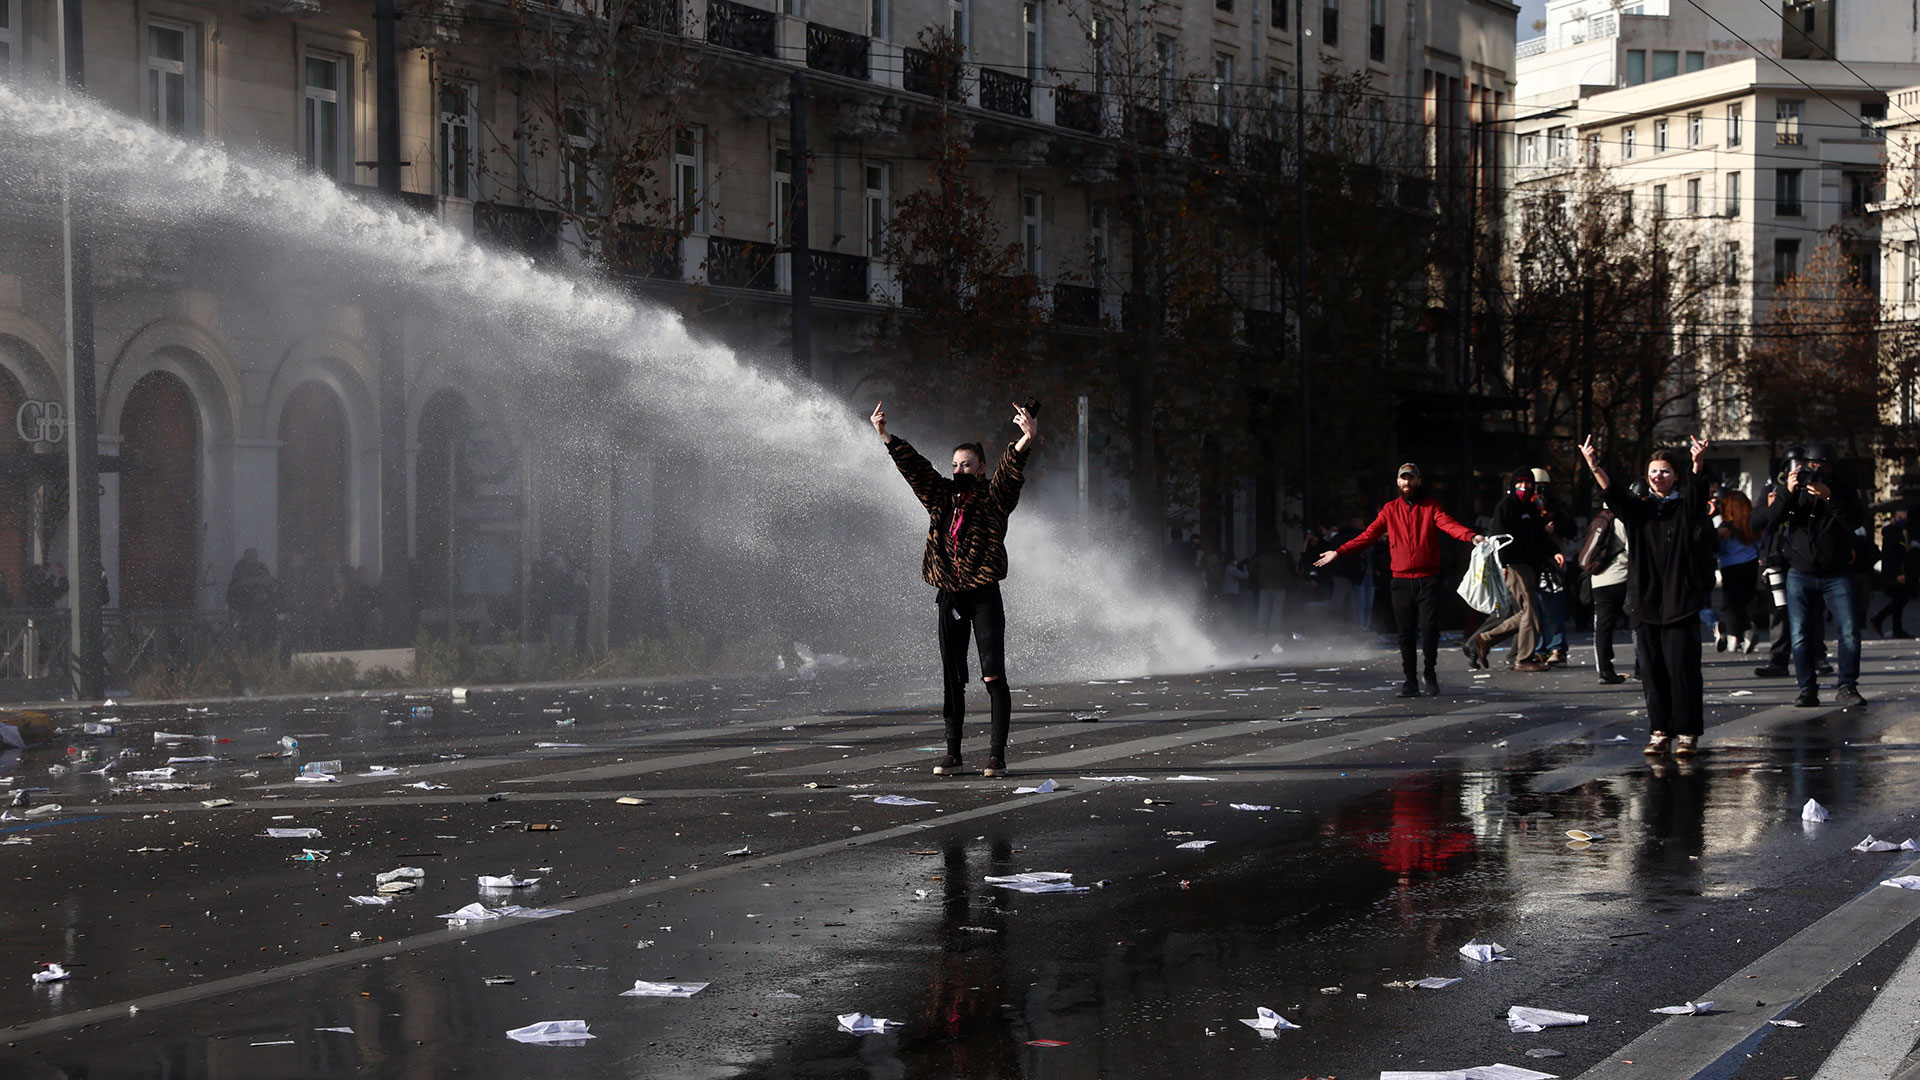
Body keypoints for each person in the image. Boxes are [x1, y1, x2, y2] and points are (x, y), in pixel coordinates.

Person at [873, 399, 1037, 778]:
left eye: (967, 464)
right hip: (949, 596)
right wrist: (885, 435)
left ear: (981, 468)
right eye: (955, 465)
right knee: (952, 677)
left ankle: (996, 756)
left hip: (984, 596)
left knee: (992, 675)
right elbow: (916, 469)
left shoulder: (993, 498)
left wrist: (1026, 439)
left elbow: (1010, 471)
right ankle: (953, 754)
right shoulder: (940, 495)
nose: (960, 470)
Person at [1578, 434, 1716, 756]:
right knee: (1652, 671)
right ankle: (1659, 731)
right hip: (1645, 601)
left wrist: (1697, 463)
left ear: (1676, 475)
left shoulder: (1685, 508)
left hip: (1680, 601)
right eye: (1653, 471)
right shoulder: (1639, 510)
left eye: (1665, 471)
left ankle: (1687, 733)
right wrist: (1594, 465)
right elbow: (1613, 494)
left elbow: (1698, 493)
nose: (1659, 476)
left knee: (1683, 670)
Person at [1317, 462, 1481, 697]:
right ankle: (1410, 680)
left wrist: (1470, 537)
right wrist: (1339, 551)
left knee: (1430, 628)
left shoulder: (1431, 506)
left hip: (1427, 578)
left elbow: (1448, 525)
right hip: (1401, 580)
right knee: (1406, 633)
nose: (1407, 482)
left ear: (1418, 481)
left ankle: (1430, 673)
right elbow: (1368, 536)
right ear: (1398, 481)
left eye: (1411, 478)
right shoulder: (1390, 509)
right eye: (1403, 478)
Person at [1750, 441, 1866, 708]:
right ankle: (1807, 688)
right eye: (1809, 466)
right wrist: (1788, 492)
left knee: (1849, 631)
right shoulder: (1792, 489)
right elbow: (1768, 520)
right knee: (1800, 633)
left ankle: (1847, 686)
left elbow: (1854, 521)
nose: (1814, 472)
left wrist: (1828, 497)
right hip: (1800, 572)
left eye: (1820, 466)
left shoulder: (1842, 490)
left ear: (1831, 467)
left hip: (1836, 572)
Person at [1466, 469, 1563, 672]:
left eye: (1528, 483)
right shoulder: (1506, 507)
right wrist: (1503, 564)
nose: (1524, 487)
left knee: (1526, 614)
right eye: (1520, 483)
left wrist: (1554, 552)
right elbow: (1499, 538)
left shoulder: (1530, 508)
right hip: (1514, 565)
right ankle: (1523, 658)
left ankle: (1484, 640)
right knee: (1530, 612)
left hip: (1530, 566)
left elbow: (1539, 536)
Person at [1578, 506, 1631, 684]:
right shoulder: (1623, 520)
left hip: (1599, 579)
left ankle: (1605, 669)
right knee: (1638, 622)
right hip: (1621, 577)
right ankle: (1642, 667)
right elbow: (1633, 551)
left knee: (1603, 627)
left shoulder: (1599, 520)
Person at [1531, 467, 1576, 665]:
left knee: (1552, 607)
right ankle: (1540, 647)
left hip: (1553, 564)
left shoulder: (1558, 507)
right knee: (1536, 609)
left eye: (1541, 488)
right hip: (1532, 563)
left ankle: (1556, 647)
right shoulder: (1524, 508)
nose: (1537, 493)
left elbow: (1571, 529)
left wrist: (1554, 523)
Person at [1713, 491, 1762, 654]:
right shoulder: (1751, 523)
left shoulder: (1724, 525)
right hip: (1751, 562)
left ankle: (1735, 636)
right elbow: (1760, 542)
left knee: (1731, 603)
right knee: (1745, 600)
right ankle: (1745, 632)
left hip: (1730, 565)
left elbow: (1717, 549)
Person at [1875, 508, 1917, 638]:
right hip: (1894, 574)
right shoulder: (1892, 533)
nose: (1902, 520)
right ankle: (1879, 619)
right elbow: (1890, 555)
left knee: (1900, 600)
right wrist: (1898, 573)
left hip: (1899, 572)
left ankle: (1897, 629)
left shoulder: (1899, 533)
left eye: (1904, 518)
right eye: (1899, 517)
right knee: (1900, 600)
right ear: (1894, 518)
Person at [226, 548, 278, 652]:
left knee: (267, 624)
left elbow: (269, 584)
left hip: (260, 608)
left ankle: (266, 648)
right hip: (242, 607)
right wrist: (248, 589)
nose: (251, 558)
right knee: (244, 631)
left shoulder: (261, 568)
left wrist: (264, 595)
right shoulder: (239, 569)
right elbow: (235, 588)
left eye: (253, 556)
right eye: (248, 556)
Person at [1251, 535, 1294, 638]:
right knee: (1277, 609)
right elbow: (1292, 566)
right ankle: (1274, 630)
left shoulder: (1262, 554)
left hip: (1265, 585)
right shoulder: (1283, 554)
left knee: (1263, 608)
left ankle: (1261, 630)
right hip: (1279, 585)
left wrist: (1258, 579)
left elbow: (1252, 567)